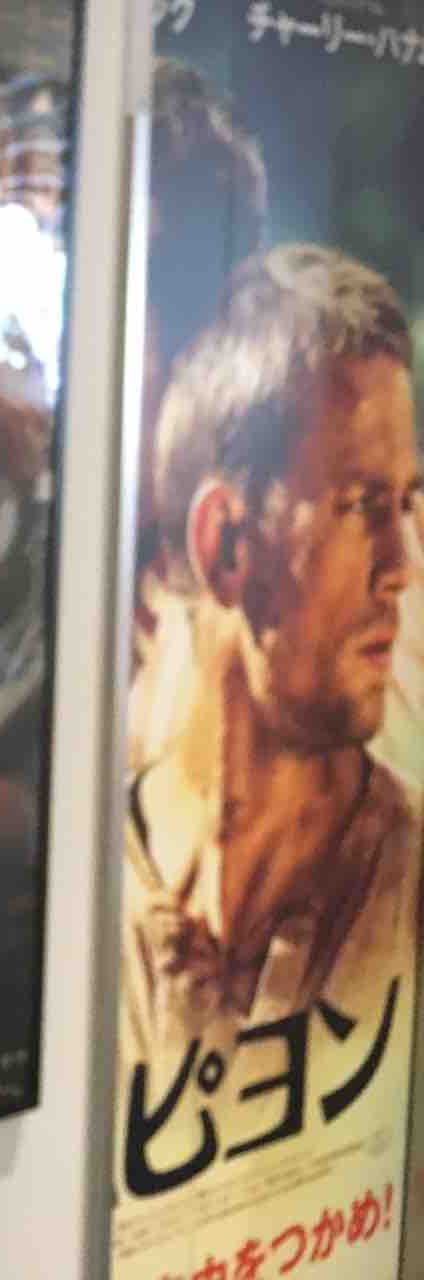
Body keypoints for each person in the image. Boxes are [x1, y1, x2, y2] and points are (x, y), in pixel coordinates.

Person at [123, 244, 423, 1069]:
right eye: (362, 504)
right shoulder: (82, 888)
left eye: (408, 501)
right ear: (226, 545)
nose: (402, 566)